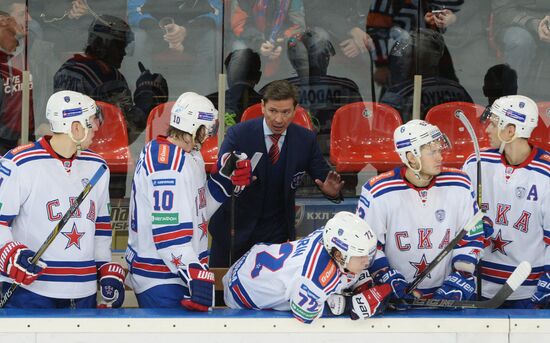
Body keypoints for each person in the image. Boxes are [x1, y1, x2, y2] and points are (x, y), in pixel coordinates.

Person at [124, 92, 251, 310]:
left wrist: (224, 181)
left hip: (181, 271)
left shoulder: (188, 155)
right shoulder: (167, 166)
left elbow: (198, 212)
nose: (209, 134)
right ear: (195, 127)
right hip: (162, 278)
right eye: (207, 128)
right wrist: (193, 272)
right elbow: (168, 232)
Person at [0, 90, 125, 308]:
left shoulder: (98, 167)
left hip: (83, 290)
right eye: (92, 121)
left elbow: (101, 227)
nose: (96, 127)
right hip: (31, 289)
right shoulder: (19, 163)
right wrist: (9, 253)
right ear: (75, 127)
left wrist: (104, 268)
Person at [208, 80, 344, 268]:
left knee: (270, 293)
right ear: (262, 107)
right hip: (233, 231)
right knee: (222, 292)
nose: (279, 119)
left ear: (295, 110)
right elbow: (221, 172)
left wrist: (332, 192)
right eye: (273, 111)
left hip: (276, 235)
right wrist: (236, 176)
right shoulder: (238, 134)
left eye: (285, 112)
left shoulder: (305, 139)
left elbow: (325, 178)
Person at [357, 120, 483, 302]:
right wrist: (388, 280)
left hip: (447, 294)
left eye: (440, 150)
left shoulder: (460, 184)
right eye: (432, 152)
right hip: (400, 298)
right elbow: (368, 247)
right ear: (410, 156)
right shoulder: (377, 192)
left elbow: (470, 237)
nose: (440, 157)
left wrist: (462, 277)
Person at [223, 211, 392, 323]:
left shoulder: (329, 235)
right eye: (361, 255)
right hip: (241, 291)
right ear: (339, 255)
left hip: (255, 261)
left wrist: (358, 280)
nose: (366, 261)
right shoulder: (314, 277)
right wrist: (349, 306)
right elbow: (303, 313)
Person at [463, 95, 550, 308]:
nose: (487, 130)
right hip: (478, 284)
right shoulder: (477, 162)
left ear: (510, 131)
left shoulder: (546, 174)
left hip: (527, 289)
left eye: (494, 124)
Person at [53, 14, 168, 144]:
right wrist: (146, 99)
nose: (124, 52)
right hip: (99, 153)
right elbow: (121, 134)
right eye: (120, 46)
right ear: (105, 44)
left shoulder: (68, 69)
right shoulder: (108, 78)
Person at [378, 28, 472, 122]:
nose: (401, 62)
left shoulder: (396, 96)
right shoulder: (459, 92)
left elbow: (384, 130)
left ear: (428, 60)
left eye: (408, 56)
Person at [0, 10, 34, 155]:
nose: (30, 19)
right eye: (21, 14)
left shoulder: (32, 52)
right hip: (4, 146)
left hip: (32, 140)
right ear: (3, 21)